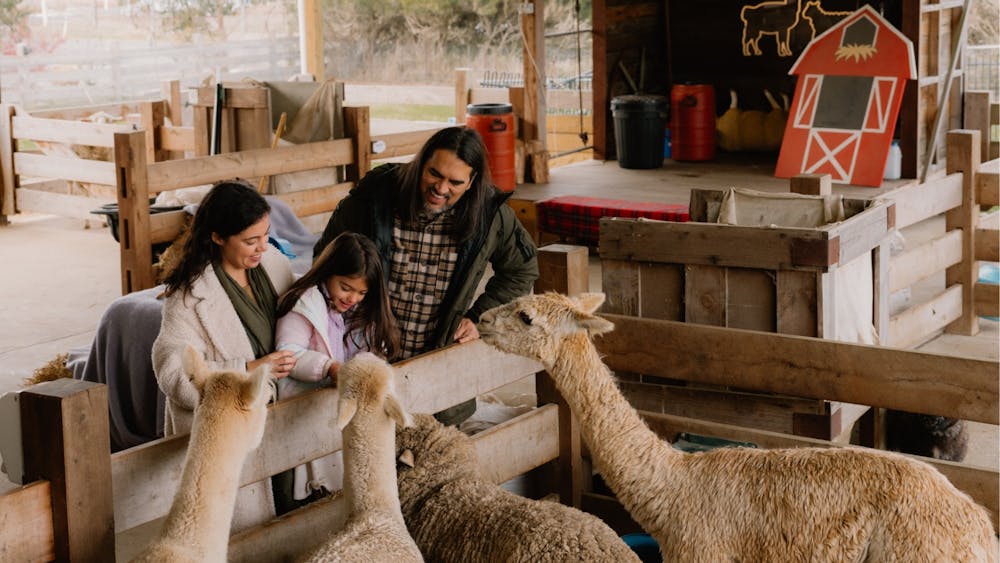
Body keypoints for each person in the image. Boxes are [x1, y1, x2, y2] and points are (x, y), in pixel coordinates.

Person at [313, 126, 539, 425]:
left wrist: (481, 316)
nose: (441, 188)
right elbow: (326, 254)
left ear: (472, 182)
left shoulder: (490, 215)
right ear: (420, 163)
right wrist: (345, 307)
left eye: (455, 182)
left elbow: (521, 269)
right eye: (434, 174)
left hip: (438, 363)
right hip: (366, 353)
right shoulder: (378, 194)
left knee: (431, 453)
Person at [151, 179, 296, 531]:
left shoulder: (275, 265)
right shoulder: (186, 298)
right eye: (250, 241)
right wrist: (246, 369)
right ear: (217, 237)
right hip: (231, 430)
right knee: (236, 530)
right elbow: (174, 374)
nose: (263, 247)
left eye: (265, 235)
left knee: (293, 518)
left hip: (285, 415)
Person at [271, 231, 400, 510]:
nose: (353, 298)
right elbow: (289, 353)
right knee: (306, 493)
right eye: (346, 287)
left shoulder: (348, 311)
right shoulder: (303, 305)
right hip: (298, 409)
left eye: (361, 292)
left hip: (328, 408)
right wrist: (328, 366)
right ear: (328, 273)